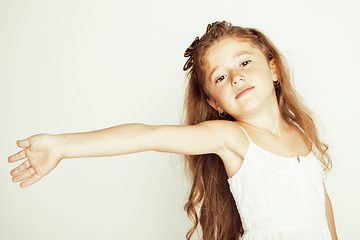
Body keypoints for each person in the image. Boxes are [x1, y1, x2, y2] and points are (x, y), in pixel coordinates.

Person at [8, 21, 337, 240]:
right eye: (220, 77)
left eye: (245, 62)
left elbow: (323, 213)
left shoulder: (301, 134)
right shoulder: (233, 139)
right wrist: (62, 146)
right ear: (215, 103)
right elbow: (149, 134)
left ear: (273, 68)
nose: (236, 76)